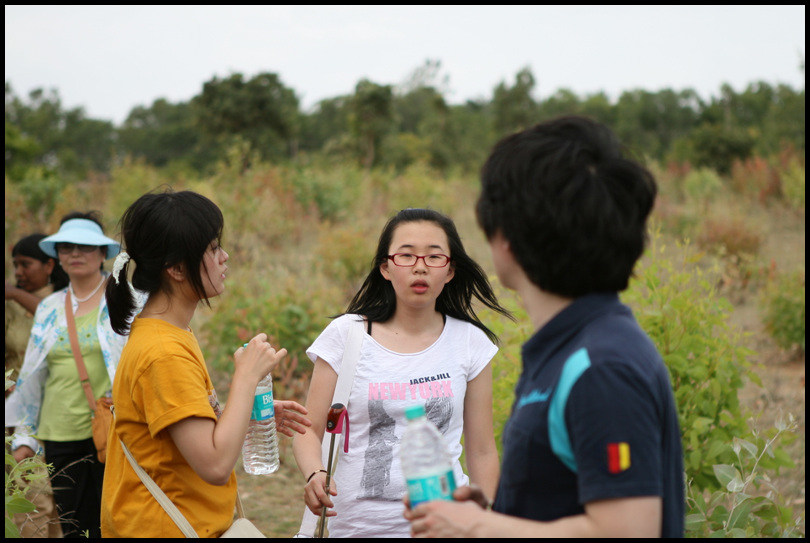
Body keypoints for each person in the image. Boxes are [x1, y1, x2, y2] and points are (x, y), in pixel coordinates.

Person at [405, 116, 685, 538]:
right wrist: (494, 516)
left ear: (509, 238)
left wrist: (478, 526)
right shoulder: (573, 347)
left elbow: (627, 530)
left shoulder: (602, 368)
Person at [100, 188, 311, 538]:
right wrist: (246, 378)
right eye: (213, 248)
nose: (225, 256)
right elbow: (213, 464)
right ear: (176, 268)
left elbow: (182, 430)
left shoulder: (168, 332)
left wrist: (240, 412)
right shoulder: (163, 352)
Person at [293, 207, 512, 538]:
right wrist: (314, 474)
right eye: (406, 256)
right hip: (353, 528)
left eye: (434, 257)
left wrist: (487, 522)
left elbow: (481, 450)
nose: (420, 267)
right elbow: (307, 428)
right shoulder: (347, 335)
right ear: (386, 267)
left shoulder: (470, 342)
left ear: (450, 270)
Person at [5, 212, 129, 538]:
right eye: (66, 247)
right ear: (57, 256)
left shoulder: (125, 299)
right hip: (58, 434)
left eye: (85, 246)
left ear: (103, 253)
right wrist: (25, 437)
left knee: (113, 522)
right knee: (74, 526)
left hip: (111, 429)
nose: (75, 253)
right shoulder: (48, 308)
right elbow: (33, 377)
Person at [5, 233, 68, 538]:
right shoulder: (11, 308)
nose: (18, 272)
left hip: (59, 411)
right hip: (20, 416)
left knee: (57, 501)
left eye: (25, 264)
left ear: (49, 265)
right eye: (14, 265)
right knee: (32, 497)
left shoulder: (69, 301)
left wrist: (14, 294)